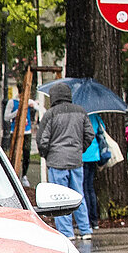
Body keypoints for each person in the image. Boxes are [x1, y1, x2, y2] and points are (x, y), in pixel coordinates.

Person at [37, 81, 94, 240]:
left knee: (59, 200)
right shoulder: (81, 112)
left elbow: (42, 139)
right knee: (79, 194)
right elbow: (89, 135)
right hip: (76, 161)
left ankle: (67, 233)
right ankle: (85, 230)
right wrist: (79, 149)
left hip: (57, 162)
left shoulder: (51, 114)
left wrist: (46, 154)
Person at [84, 112, 108, 230]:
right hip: (94, 154)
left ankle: (86, 219)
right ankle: (94, 220)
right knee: (90, 188)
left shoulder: (81, 115)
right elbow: (102, 129)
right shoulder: (96, 116)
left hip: (82, 155)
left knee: (83, 188)